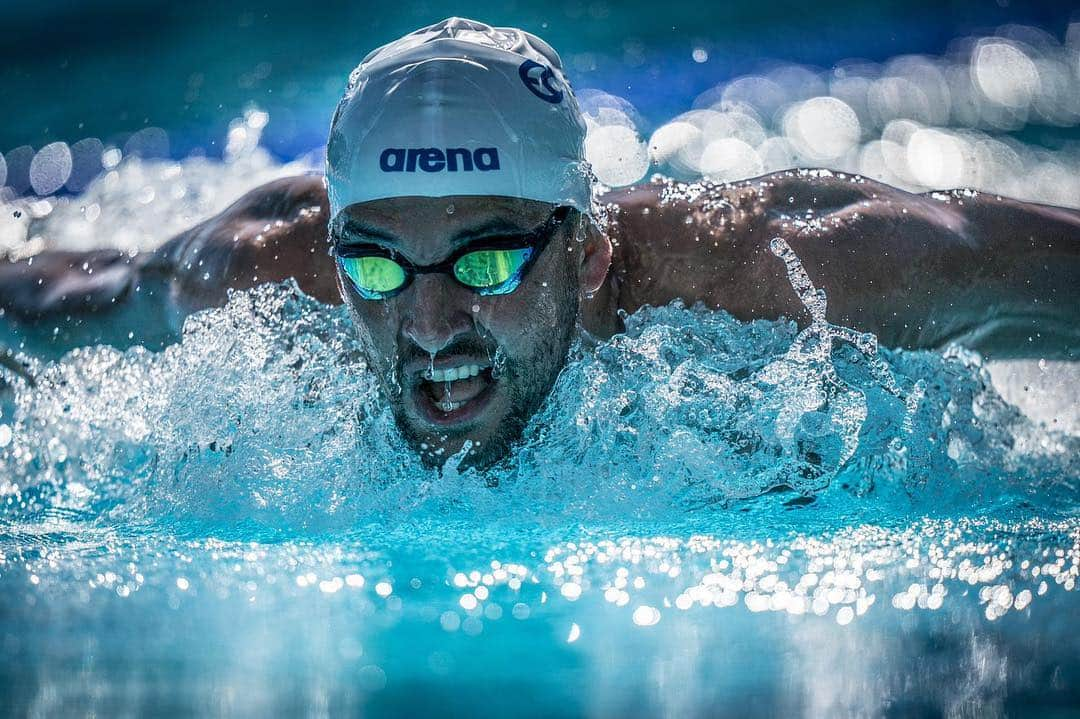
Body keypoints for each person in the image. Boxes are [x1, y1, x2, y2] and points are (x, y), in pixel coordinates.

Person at [1, 17, 1078, 467]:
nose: (427, 325)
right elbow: (49, 300)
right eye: (376, 263)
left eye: (484, 260)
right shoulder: (255, 277)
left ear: (592, 251)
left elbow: (1008, 254)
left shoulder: (786, 271)